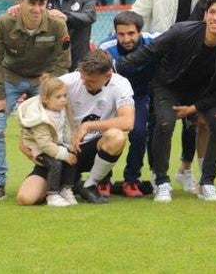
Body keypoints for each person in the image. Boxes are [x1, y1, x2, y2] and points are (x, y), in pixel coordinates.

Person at [118, 0, 216, 203]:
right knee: (165, 123)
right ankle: (161, 181)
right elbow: (149, 51)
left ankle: (207, 183)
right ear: (205, 14)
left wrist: (195, 108)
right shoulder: (182, 31)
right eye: (212, 12)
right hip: (169, 85)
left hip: (204, 93)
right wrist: (116, 66)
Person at [0, 0, 71, 201]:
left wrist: (50, 88)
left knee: (56, 125)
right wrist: (0, 97)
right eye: (32, 3)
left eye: (42, 3)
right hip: (10, 78)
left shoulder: (57, 24)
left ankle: (56, 176)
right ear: (21, 2)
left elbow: (63, 62)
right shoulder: (4, 23)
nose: (37, 9)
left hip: (43, 81)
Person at [16, 50, 135, 206]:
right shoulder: (67, 81)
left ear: (107, 76)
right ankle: (69, 184)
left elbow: (128, 122)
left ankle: (90, 185)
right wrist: (24, 140)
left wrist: (87, 126)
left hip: (92, 149)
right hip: (61, 150)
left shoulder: (120, 84)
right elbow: (35, 108)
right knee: (26, 198)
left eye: (90, 81)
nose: (84, 83)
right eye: (82, 77)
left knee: (116, 136)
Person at [98, 10, 158, 197]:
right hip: (112, 96)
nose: (126, 39)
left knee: (139, 133)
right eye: (121, 34)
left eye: (131, 33)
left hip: (139, 96)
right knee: (105, 134)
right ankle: (103, 179)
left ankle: (131, 180)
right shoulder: (106, 47)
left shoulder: (153, 40)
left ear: (140, 31)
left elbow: (176, 37)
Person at [16, 75, 78, 207]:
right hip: (39, 148)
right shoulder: (39, 118)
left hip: (54, 145)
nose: (63, 99)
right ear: (45, 99)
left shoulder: (62, 110)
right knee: (55, 163)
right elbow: (44, 144)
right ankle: (52, 194)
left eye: (65, 96)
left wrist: (69, 147)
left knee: (72, 157)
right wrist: (64, 154)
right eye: (58, 97)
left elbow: (66, 131)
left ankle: (66, 189)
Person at [44, 0, 98, 71]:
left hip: (78, 63)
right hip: (49, 64)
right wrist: (20, 8)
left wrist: (65, 16)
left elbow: (89, 16)